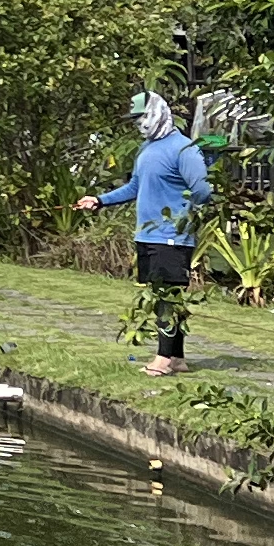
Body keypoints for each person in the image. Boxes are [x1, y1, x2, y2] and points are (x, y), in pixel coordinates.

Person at [81, 88, 211, 374]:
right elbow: (135, 187)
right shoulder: (146, 149)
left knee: (167, 297)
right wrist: (100, 200)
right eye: (134, 119)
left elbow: (202, 189)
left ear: (157, 113)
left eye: (141, 117)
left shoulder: (184, 148)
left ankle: (163, 359)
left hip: (172, 236)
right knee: (160, 296)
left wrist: (185, 212)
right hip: (147, 235)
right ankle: (176, 358)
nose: (138, 123)